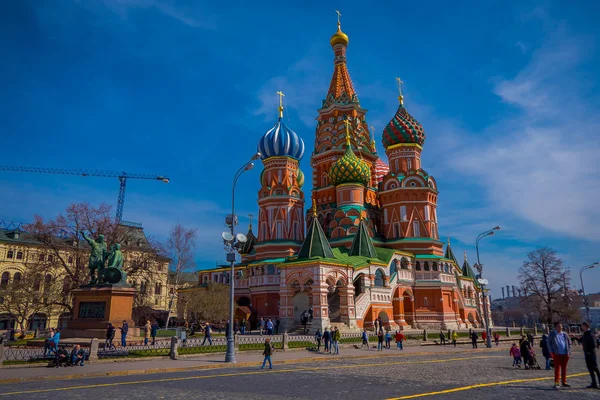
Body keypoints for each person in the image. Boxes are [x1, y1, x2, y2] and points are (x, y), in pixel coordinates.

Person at [576, 321, 600, 389]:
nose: (581, 327)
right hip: (587, 353)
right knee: (590, 369)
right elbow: (582, 340)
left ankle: (597, 382)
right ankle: (594, 383)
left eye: (582, 326)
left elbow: (593, 344)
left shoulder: (590, 334)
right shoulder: (586, 334)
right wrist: (575, 337)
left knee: (595, 368)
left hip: (591, 354)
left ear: (585, 326)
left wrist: (590, 351)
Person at [548, 322, 571, 389]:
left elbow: (569, 342)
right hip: (557, 353)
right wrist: (551, 352)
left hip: (565, 354)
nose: (560, 327)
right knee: (557, 368)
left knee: (564, 368)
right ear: (555, 327)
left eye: (561, 326)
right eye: (558, 326)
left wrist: (569, 352)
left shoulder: (565, 334)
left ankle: (564, 382)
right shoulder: (552, 334)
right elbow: (549, 343)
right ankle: (556, 382)